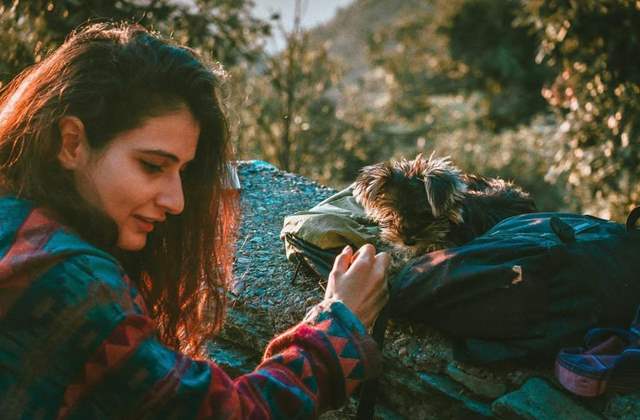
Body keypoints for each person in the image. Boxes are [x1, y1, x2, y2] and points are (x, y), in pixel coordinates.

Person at [0, 23, 390, 418]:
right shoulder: (74, 281)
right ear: (71, 143)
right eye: (152, 166)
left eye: (182, 172)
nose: (177, 201)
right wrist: (337, 327)